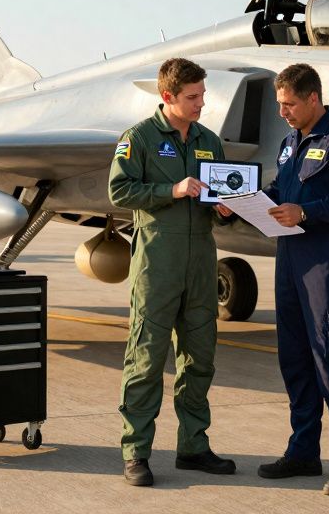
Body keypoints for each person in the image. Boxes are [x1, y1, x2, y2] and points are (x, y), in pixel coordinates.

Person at [107, 57, 237, 487]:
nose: (202, 103)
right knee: (145, 362)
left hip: (201, 263)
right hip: (156, 265)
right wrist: (172, 189)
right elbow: (120, 190)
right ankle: (136, 453)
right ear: (168, 97)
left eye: (203, 94)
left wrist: (224, 207)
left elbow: (220, 200)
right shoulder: (139, 138)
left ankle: (194, 447)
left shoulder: (208, 141)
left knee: (199, 361)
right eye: (193, 97)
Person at [257, 62, 329, 497]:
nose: (283, 112)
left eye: (289, 105)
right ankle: (303, 451)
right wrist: (242, 200)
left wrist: (305, 212)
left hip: (325, 262)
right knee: (296, 361)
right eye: (279, 104)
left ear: (313, 99)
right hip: (288, 261)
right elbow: (281, 192)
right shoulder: (290, 143)